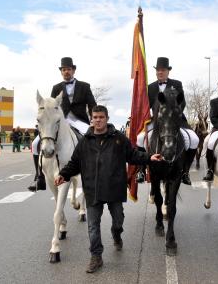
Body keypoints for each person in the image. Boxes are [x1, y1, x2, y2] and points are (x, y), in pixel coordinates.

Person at [54, 105, 162, 273]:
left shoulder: (118, 138)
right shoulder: (85, 141)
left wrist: (149, 157)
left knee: (118, 219)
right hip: (92, 189)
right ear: (91, 119)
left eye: (101, 117)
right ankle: (96, 257)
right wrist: (63, 174)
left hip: (114, 188)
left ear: (107, 118)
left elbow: (132, 155)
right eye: (95, 117)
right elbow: (75, 163)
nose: (98, 120)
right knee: (93, 226)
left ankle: (116, 233)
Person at [136, 57, 199, 185]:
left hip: (176, 120)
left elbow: (182, 102)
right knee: (140, 138)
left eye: (163, 70)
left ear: (168, 71)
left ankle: (185, 172)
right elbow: (146, 106)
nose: (160, 72)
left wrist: (175, 114)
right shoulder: (151, 87)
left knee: (194, 139)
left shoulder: (177, 84)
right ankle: (141, 170)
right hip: (157, 121)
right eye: (158, 70)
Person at [51, 57, 96, 135]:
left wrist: (93, 120)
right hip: (61, 120)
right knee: (35, 143)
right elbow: (51, 107)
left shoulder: (84, 86)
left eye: (68, 69)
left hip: (80, 121)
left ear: (73, 70)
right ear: (61, 72)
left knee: (90, 138)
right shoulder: (56, 88)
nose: (66, 72)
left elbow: (92, 105)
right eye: (64, 70)